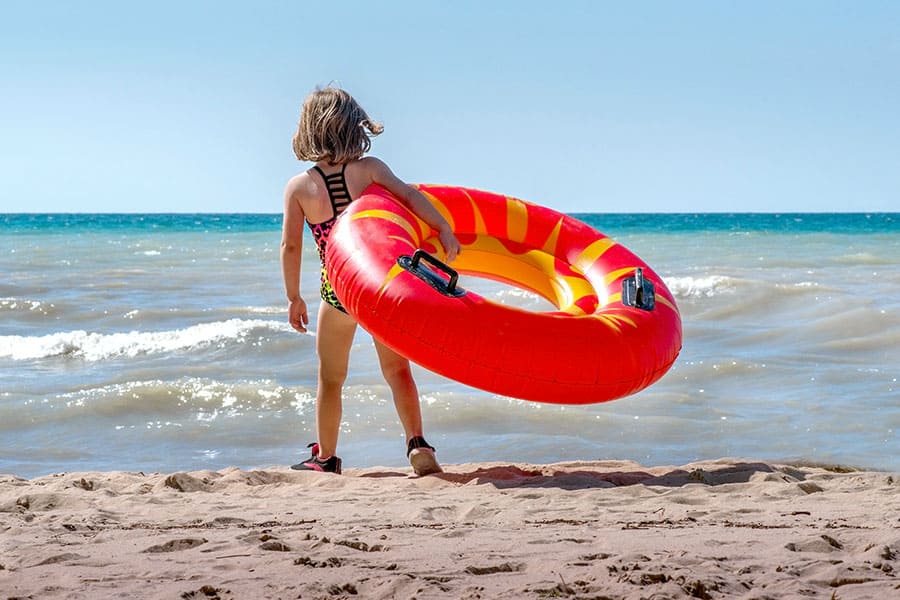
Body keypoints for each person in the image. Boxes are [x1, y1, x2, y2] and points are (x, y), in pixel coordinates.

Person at [281, 86, 461, 476]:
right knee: (397, 371)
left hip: (339, 290)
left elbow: (291, 246)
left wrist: (294, 297)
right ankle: (417, 442)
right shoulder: (370, 170)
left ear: (308, 129)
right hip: (381, 288)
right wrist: (443, 228)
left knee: (331, 378)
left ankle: (326, 457)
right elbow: (410, 197)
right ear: (352, 125)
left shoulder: (299, 188)